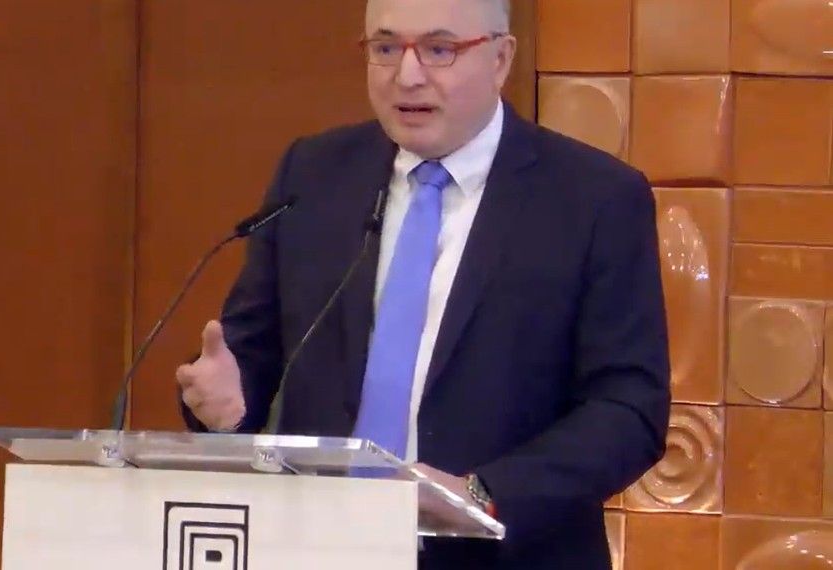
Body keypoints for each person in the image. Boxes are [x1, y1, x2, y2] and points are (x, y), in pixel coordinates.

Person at [176, 0, 671, 567]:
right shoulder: (314, 174)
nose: (407, 76)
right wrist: (226, 402)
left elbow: (628, 410)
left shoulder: (593, 198)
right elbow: (250, 355)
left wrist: (483, 495)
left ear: (501, 58)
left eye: (439, 49)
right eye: (386, 48)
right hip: (320, 550)